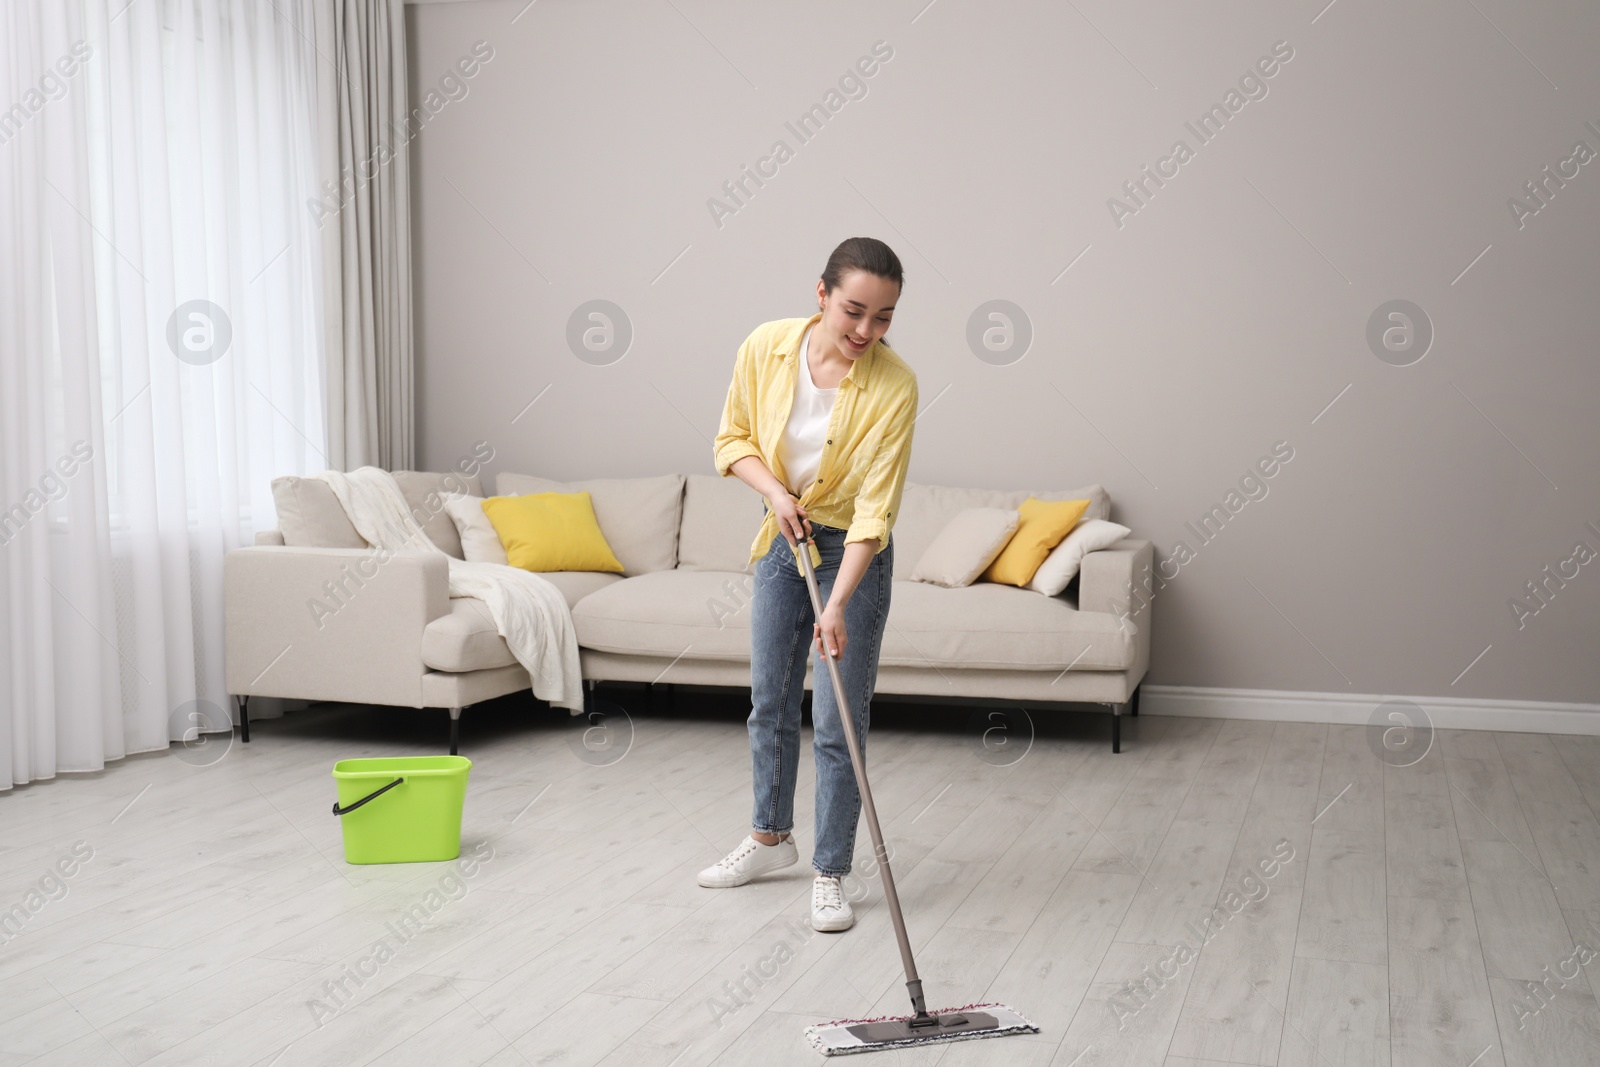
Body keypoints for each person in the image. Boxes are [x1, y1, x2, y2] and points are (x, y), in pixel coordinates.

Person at [701, 237, 918, 932]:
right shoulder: (766, 347)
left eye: (882, 318)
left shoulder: (895, 385)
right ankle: (771, 837)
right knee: (768, 702)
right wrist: (775, 493)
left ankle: (830, 870)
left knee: (837, 721)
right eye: (854, 310)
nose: (865, 332)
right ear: (821, 294)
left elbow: (875, 512)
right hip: (782, 540)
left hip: (851, 551)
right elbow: (731, 440)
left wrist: (842, 601)